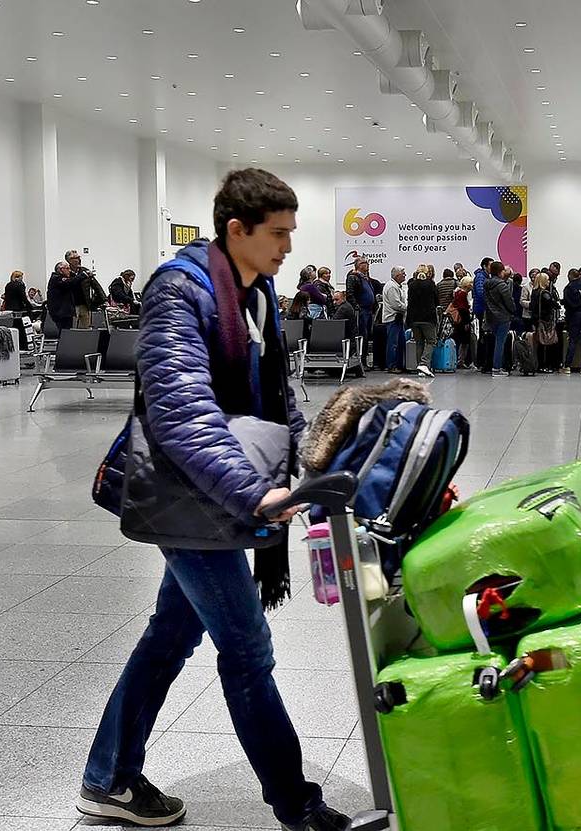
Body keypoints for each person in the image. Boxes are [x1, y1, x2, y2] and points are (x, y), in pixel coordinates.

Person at [77, 169, 353, 831]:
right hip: (185, 496)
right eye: (278, 233)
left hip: (218, 493)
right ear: (238, 230)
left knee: (172, 632)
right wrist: (258, 492)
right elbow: (180, 413)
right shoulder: (182, 290)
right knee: (248, 646)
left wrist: (311, 459)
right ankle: (297, 803)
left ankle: (107, 775)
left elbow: (275, 394)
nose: (288, 246)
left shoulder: (255, 293)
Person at [406, 265, 438, 378]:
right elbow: (436, 300)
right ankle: (424, 363)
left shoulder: (411, 285)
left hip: (414, 319)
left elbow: (409, 301)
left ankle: (420, 368)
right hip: (428, 318)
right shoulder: (430, 284)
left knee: (419, 342)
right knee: (431, 341)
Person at [483, 261, 515, 377]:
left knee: (497, 341)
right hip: (502, 317)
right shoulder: (502, 285)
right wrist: (512, 311)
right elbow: (509, 302)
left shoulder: (486, 284)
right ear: (500, 272)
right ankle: (497, 368)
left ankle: (495, 366)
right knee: (500, 343)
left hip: (491, 316)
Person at [345, 258, 376, 367]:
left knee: (367, 335)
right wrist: (356, 307)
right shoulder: (353, 277)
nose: (367, 265)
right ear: (358, 265)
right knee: (362, 335)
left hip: (368, 310)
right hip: (361, 311)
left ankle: (364, 359)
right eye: (364, 263)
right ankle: (360, 361)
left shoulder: (365, 278)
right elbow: (350, 294)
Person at [530, 270, 559, 373]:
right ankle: (546, 365)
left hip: (537, 321)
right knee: (547, 343)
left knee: (540, 344)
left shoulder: (534, 292)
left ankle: (539, 365)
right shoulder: (545, 293)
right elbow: (554, 304)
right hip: (545, 321)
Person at [382, 267, 408, 373]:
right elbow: (396, 304)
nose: (405, 275)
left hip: (398, 319)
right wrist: (407, 307)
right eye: (403, 274)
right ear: (397, 275)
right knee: (393, 344)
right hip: (392, 319)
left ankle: (399, 365)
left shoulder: (397, 286)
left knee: (400, 342)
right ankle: (391, 366)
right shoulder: (392, 287)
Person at [46, 260, 78, 334]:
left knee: (66, 332)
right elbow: (69, 283)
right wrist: (82, 275)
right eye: (67, 268)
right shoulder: (56, 278)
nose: (69, 270)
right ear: (61, 270)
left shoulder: (60, 278)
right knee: (64, 333)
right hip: (61, 313)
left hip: (65, 312)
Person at [451, 275, 474, 368]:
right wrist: (466, 322)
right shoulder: (463, 294)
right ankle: (461, 360)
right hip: (463, 321)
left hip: (458, 321)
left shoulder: (457, 293)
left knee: (458, 340)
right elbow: (463, 309)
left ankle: (458, 360)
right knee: (464, 342)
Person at [472, 256, 490, 324]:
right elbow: (480, 292)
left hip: (482, 307)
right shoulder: (480, 277)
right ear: (485, 266)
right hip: (481, 308)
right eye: (490, 265)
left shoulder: (486, 277)